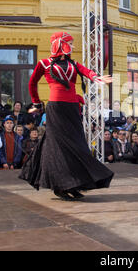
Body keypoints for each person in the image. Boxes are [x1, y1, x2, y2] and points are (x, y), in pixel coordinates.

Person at [19, 31, 114, 201]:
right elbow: (32, 82)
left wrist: (96, 77)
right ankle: (61, 186)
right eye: (69, 43)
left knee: (77, 145)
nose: (72, 47)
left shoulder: (74, 64)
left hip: (72, 108)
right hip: (56, 108)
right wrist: (37, 103)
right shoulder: (45, 63)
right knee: (59, 147)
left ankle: (75, 183)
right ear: (60, 44)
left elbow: (87, 72)